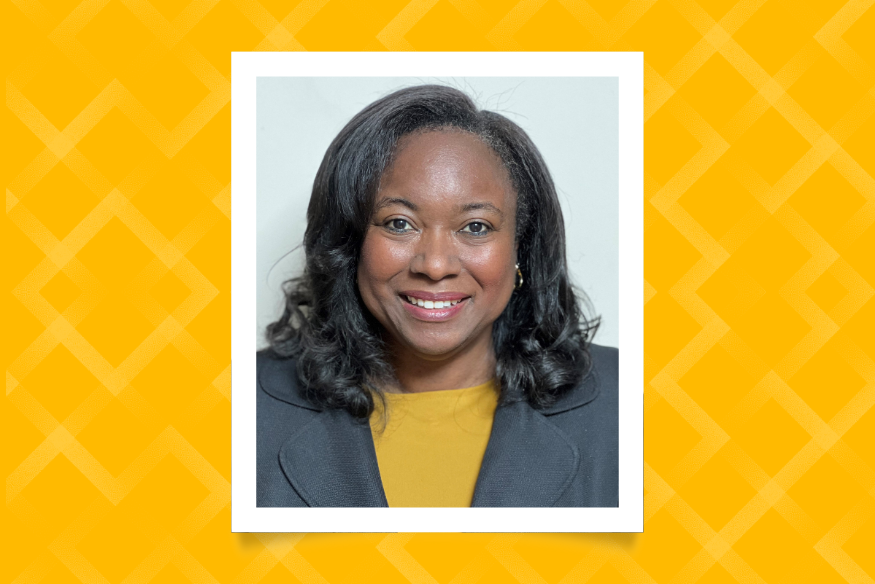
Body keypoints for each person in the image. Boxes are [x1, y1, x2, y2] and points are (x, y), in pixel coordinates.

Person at [257, 84, 618, 507]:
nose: (434, 264)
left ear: (521, 248)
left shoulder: (634, 402)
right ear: (349, 243)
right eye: (398, 223)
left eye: (476, 227)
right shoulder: (232, 409)